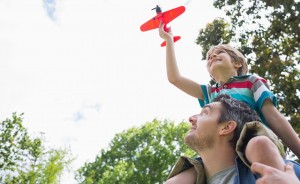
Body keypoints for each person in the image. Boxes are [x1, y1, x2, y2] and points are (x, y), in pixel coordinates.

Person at [158, 23, 300, 171]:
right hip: (220, 150)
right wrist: (169, 41)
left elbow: (274, 117)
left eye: (220, 53)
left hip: (254, 138)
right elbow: (175, 78)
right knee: (185, 173)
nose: (212, 56)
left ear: (237, 63)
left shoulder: (251, 82)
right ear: (211, 74)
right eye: (209, 58)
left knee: (257, 146)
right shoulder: (210, 92)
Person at [165, 94, 300, 184]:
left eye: (205, 112)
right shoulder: (184, 179)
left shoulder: (284, 171)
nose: (191, 118)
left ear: (226, 127)